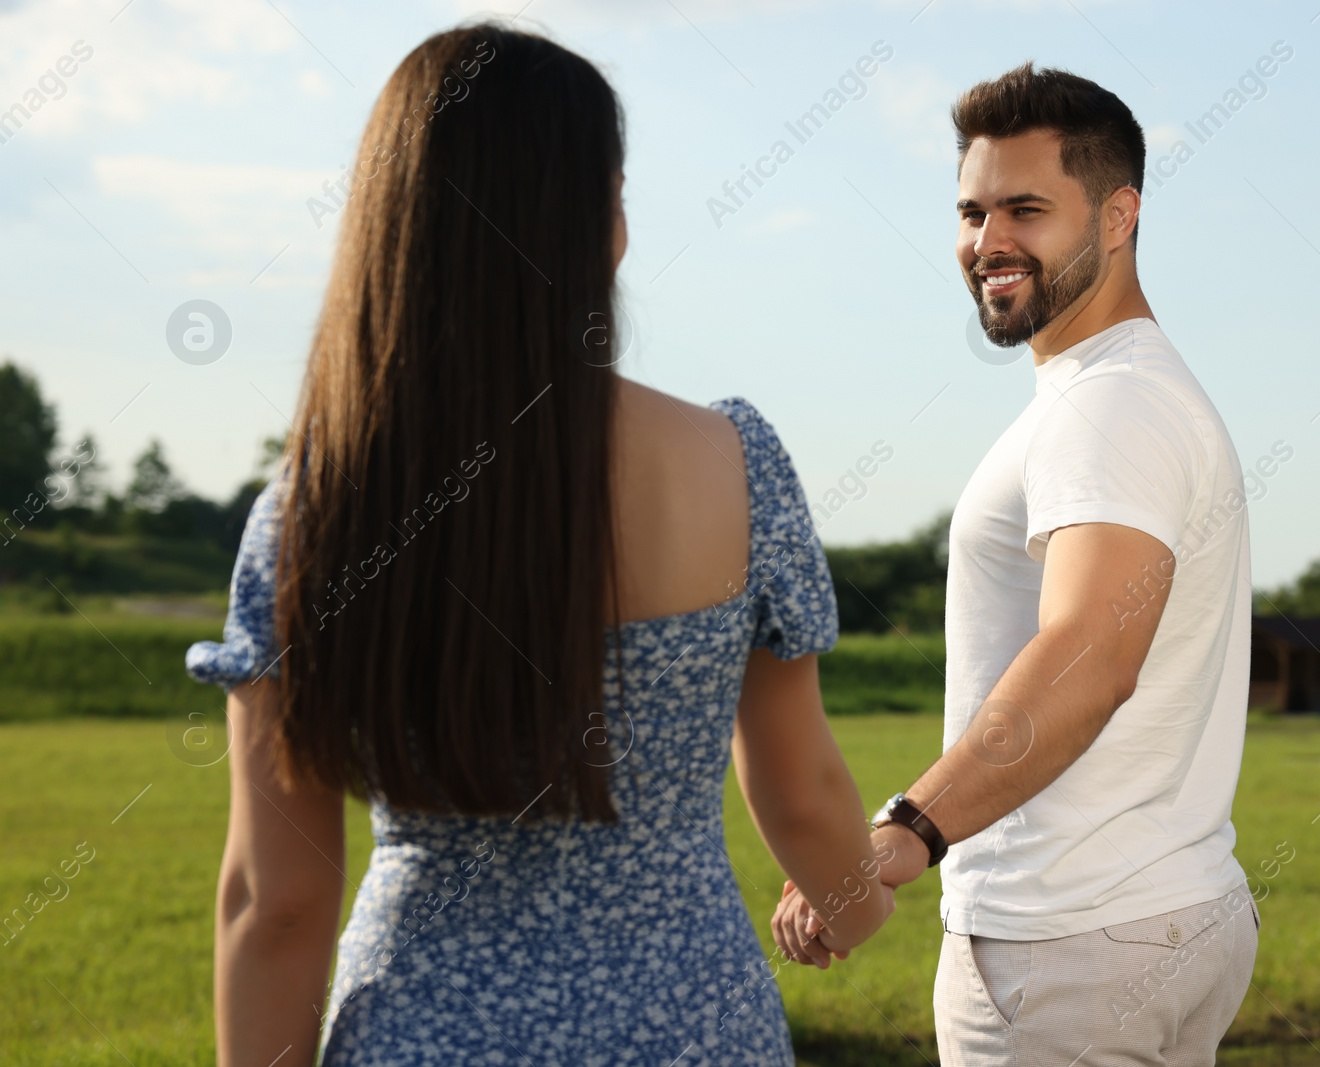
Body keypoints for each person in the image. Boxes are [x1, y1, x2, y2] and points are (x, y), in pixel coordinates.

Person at [186, 24, 891, 1066]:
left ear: (392, 224)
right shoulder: (732, 464)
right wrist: (853, 904)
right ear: (602, 222)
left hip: (421, 1032)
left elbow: (274, 899)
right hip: (693, 1029)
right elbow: (801, 788)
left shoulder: (308, 513)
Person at [773, 63, 1259, 1065]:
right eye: (971, 211)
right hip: (1154, 915)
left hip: (1066, 946)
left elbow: (1089, 651)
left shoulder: (1108, 406)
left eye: (1024, 210)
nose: (986, 243)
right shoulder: (1120, 392)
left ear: (1117, 216)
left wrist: (906, 827)